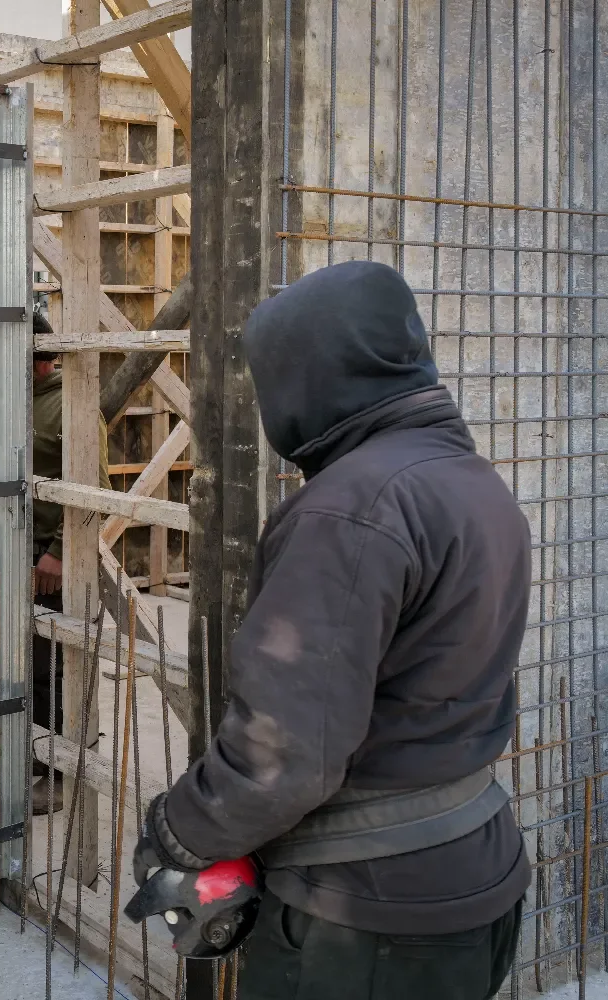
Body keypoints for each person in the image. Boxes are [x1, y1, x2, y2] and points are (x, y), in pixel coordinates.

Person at [132, 261, 529, 998]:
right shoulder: (472, 482)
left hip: (365, 920)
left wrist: (180, 829)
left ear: (308, 377)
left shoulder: (350, 509)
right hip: (474, 876)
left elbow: (286, 752)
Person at [31, 309, 114, 816]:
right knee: (25, 663)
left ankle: (59, 776)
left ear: (42, 359)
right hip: (16, 550)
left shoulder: (71, 404)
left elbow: (94, 488)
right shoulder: (14, 397)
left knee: (54, 668)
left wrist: (59, 554)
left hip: (50, 559)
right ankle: (35, 755)